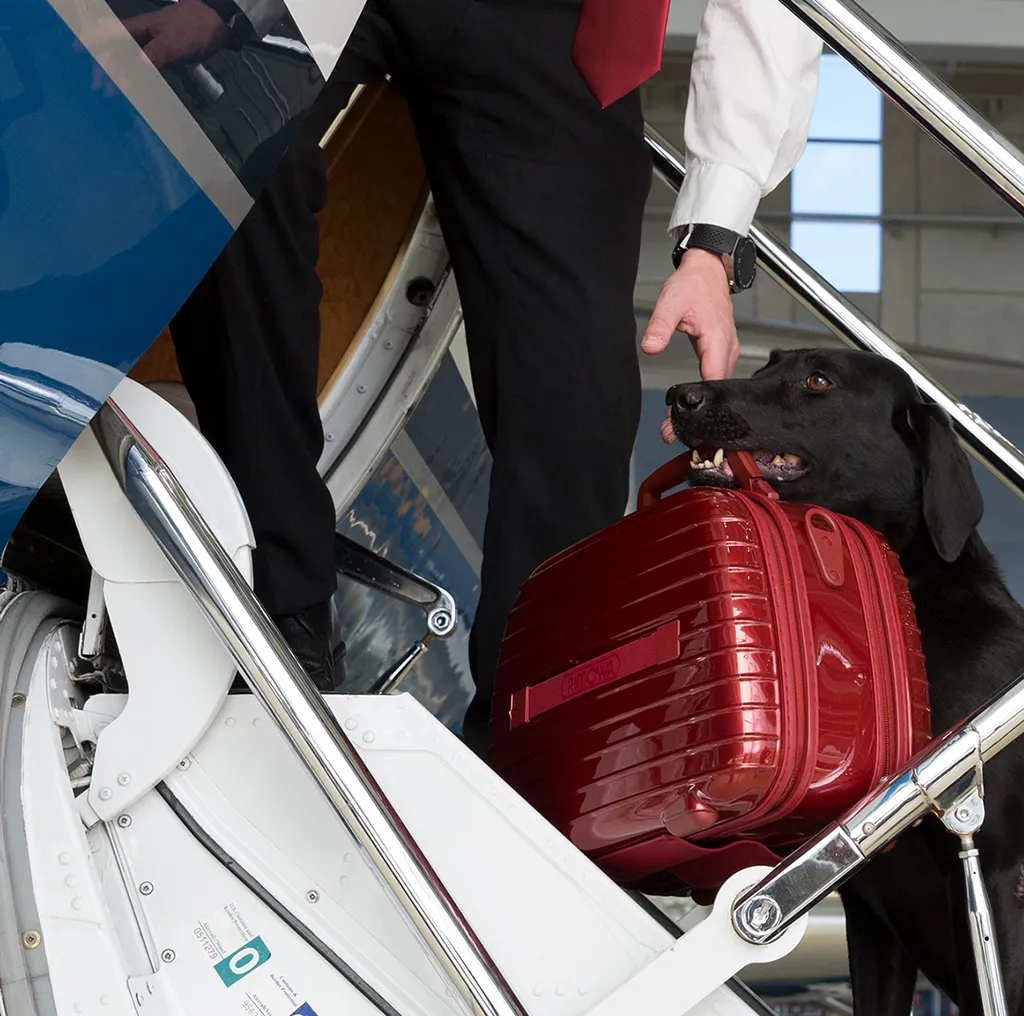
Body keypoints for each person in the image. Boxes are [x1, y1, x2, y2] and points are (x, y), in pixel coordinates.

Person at [129, 0, 821, 752]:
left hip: (548, 25)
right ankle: (281, 610)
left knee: (574, 390)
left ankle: (536, 737)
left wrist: (714, 240)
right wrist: (232, 11)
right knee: (221, 136)